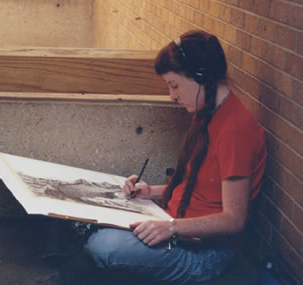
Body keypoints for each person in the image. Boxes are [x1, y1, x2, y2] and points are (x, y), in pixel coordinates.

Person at [75, 30, 267, 284]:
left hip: (205, 253)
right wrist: (150, 192)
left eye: (175, 85)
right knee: (88, 206)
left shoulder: (234, 130)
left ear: (202, 77)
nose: (172, 96)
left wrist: (171, 228)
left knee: (104, 245)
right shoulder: (207, 112)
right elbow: (200, 187)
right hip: (174, 224)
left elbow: (234, 220)